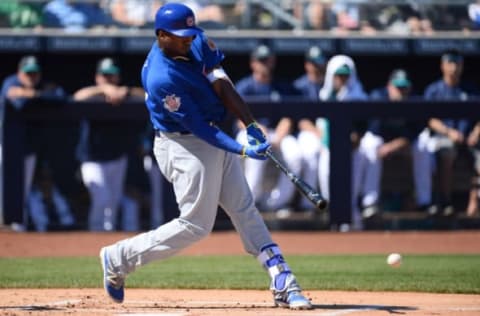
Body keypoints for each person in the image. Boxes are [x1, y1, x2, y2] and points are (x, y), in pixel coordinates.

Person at [99, 2, 312, 310]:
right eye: (180, 36)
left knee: (244, 208)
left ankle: (282, 278)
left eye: (189, 33)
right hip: (183, 145)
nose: (188, 40)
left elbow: (222, 83)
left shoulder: (197, 39)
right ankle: (118, 258)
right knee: (197, 225)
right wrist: (241, 148)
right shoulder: (162, 78)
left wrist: (249, 122)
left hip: (212, 133)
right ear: (161, 35)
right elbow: (199, 128)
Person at [73, 57, 145, 231]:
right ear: (98, 77)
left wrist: (125, 91)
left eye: (111, 76)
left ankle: (107, 237)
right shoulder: (92, 94)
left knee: (112, 202)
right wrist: (104, 89)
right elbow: (76, 97)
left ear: (118, 77)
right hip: (92, 158)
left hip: (116, 157)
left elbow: (147, 96)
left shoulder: (125, 93)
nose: (109, 79)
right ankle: (95, 233)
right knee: (102, 199)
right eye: (105, 76)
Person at [0, 55, 67, 230]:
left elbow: (60, 97)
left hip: (28, 148)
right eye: (27, 73)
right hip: (4, 146)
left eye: (34, 74)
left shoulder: (42, 86)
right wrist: (37, 96)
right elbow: (18, 102)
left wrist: (34, 94)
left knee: (23, 189)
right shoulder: (11, 81)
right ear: (19, 73)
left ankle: (16, 225)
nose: (31, 77)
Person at [235, 44, 303, 214]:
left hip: (276, 132)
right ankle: (249, 204)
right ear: (253, 63)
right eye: (261, 60)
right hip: (249, 131)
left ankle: (276, 202)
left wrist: (280, 136)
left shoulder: (282, 87)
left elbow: (289, 116)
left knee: (296, 155)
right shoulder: (244, 86)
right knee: (257, 151)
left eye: (267, 60)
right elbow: (238, 119)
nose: (264, 64)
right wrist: (256, 129)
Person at [367, 69, 434, 216]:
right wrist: (389, 146)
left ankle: (424, 202)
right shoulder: (378, 98)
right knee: (370, 145)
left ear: (409, 88)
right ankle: (369, 202)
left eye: (404, 87)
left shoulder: (414, 102)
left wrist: (394, 146)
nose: (401, 91)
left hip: (403, 144)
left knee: (423, 146)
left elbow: (414, 133)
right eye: (397, 87)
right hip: (381, 142)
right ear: (389, 86)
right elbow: (374, 131)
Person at [423, 49, 479, 216]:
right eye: (450, 63)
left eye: (457, 63)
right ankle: (446, 201)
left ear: (462, 66)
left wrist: (476, 133)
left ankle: (474, 201)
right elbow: (429, 118)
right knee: (446, 152)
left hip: (471, 139)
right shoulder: (434, 90)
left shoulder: (471, 90)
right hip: (445, 138)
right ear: (443, 66)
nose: (453, 67)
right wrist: (449, 132)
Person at [319, 54, 368, 230]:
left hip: (351, 148)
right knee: (326, 182)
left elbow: (363, 124)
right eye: (338, 75)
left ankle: (352, 221)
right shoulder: (325, 94)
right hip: (328, 145)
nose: (342, 78)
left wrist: (357, 137)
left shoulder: (358, 95)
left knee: (351, 187)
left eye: (345, 75)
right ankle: (334, 221)